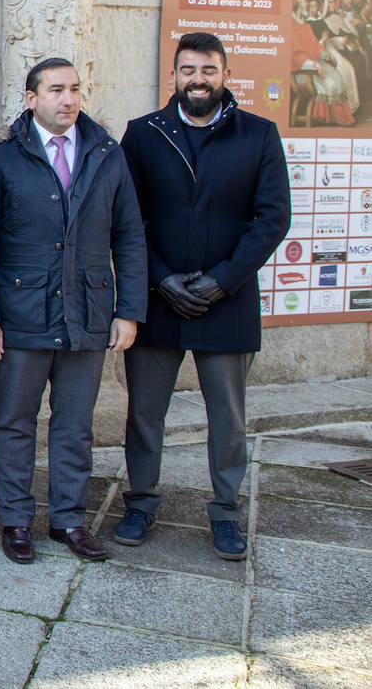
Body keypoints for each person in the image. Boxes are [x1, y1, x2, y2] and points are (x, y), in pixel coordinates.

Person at [115, 32, 290, 560]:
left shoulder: (258, 134)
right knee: (145, 414)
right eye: (188, 70)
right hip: (159, 298)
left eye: (208, 70)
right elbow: (127, 218)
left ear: (225, 75)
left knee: (229, 417)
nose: (198, 80)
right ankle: (141, 502)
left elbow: (272, 218)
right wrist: (162, 278)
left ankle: (226, 511)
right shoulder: (143, 135)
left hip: (227, 301)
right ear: (174, 76)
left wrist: (222, 280)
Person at [0, 57, 146, 565]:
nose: (67, 99)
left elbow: (130, 236)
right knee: (15, 421)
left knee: (75, 424)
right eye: (55, 90)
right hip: (21, 313)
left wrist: (128, 311)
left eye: (74, 89)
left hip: (89, 311)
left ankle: (69, 519)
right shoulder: (0, 158)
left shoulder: (107, 154)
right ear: (31, 98)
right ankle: (16, 519)